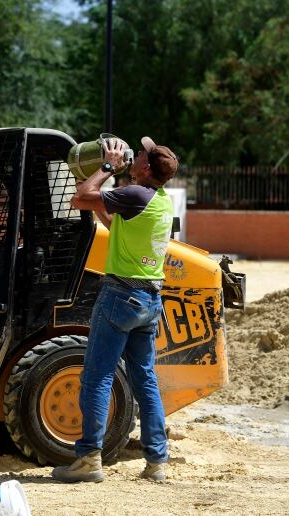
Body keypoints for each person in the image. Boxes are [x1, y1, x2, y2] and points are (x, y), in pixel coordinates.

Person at [52, 136, 179, 483]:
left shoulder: (136, 194)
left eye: (137, 156)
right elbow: (112, 223)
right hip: (149, 299)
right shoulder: (158, 200)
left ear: (145, 168)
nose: (132, 157)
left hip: (121, 296)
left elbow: (78, 199)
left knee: (96, 377)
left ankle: (89, 459)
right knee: (145, 379)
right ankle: (156, 462)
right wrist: (98, 185)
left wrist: (106, 167)